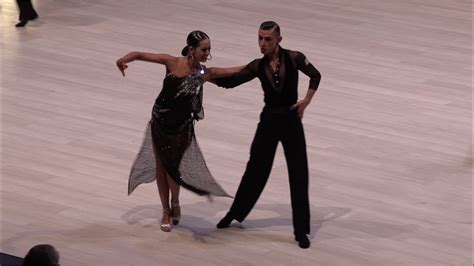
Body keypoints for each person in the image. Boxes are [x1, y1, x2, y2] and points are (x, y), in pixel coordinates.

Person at [117, 30, 245, 232]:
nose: (207, 53)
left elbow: (234, 70)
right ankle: (166, 210)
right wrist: (124, 60)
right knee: (161, 166)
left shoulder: (204, 73)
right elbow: (140, 55)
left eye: (209, 49)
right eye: (204, 49)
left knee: (172, 168)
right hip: (160, 120)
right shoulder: (172, 62)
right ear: (191, 49)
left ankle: (175, 203)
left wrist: (260, 65)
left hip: (181, 126)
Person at [213, 21, 322, 249]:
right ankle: (234, 213)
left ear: (279, 39)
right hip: (269, 120)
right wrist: (204, 75)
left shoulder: (295, 57)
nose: (263, 43)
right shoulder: (257, 66)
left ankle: (301, 230)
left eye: (268, 39)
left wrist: (306, 102)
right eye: (260, 38)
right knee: (255, 168)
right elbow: (230, 84)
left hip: (291, 119)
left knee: (298, 172)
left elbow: (315, 75)